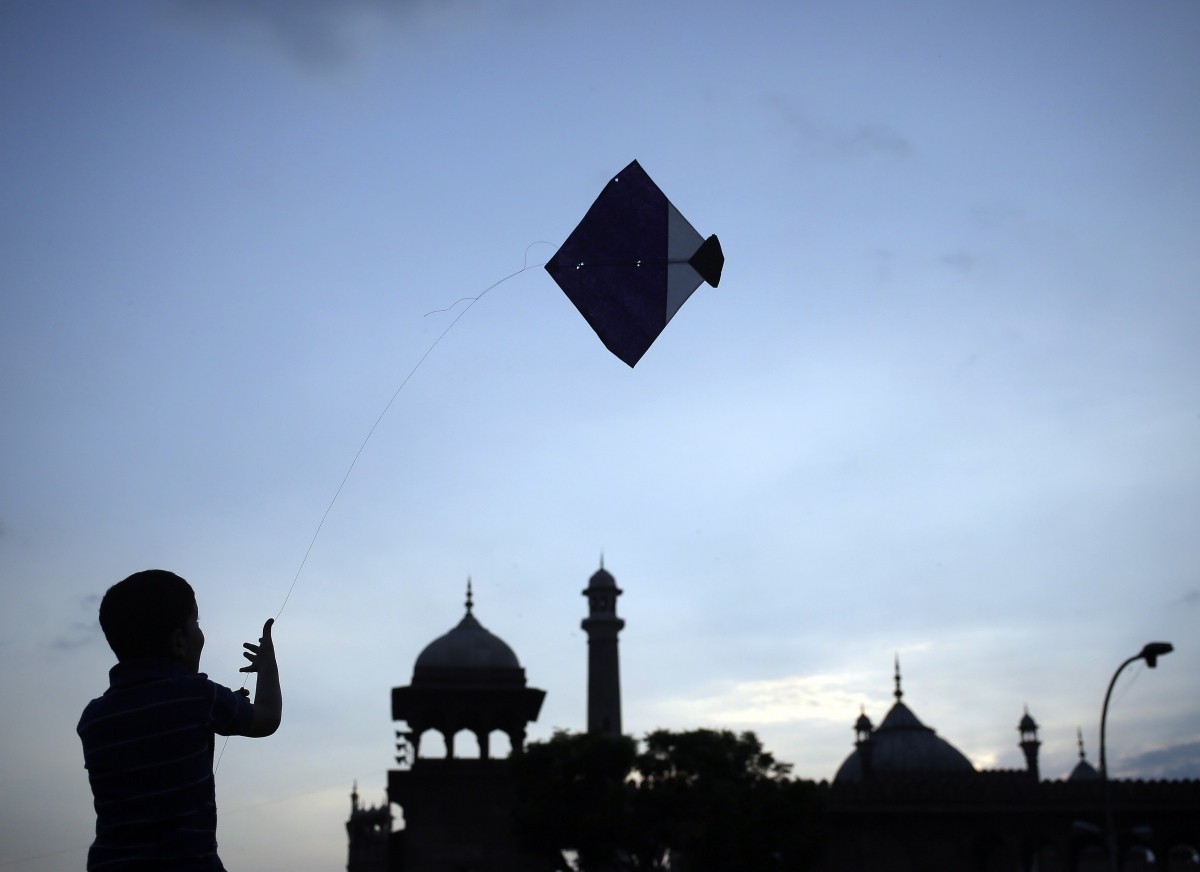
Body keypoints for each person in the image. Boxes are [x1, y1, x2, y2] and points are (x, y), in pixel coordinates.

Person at [77, 569, 282, 871]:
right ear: (179, 642)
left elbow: (154, 726)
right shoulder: (199, 697)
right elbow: (267, 717)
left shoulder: (94, 719)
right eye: (196, 623)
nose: (201, 632)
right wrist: (267, 665)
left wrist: (219, 705)